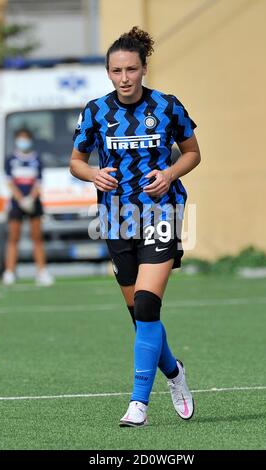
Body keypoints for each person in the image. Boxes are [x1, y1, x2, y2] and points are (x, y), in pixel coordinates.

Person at [70, 26, 201, 427]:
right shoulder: (95, 110)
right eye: (116, 70)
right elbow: (75, 162)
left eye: (131, 69)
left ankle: (138, 404)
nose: (124, 77)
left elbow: (193, 153)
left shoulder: (167, 106)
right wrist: (92, 174)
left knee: (147, 305)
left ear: (144, 68)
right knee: (139, 316)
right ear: (108, 73)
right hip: (117, 217)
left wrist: (169, 173)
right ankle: (175, 374)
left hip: (162, 213)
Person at [3, 128, 54, 287]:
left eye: (26, 138)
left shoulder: (36, 159)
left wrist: (31, 199)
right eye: (20, 138)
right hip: (16, 203)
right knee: (13, 238)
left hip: (34, 202)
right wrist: (21, 199)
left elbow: (38, 182)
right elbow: (9, 182)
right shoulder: (11, 159)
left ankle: (41, 272)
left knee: (37, 238)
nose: (23, 141)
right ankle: (9, 272)